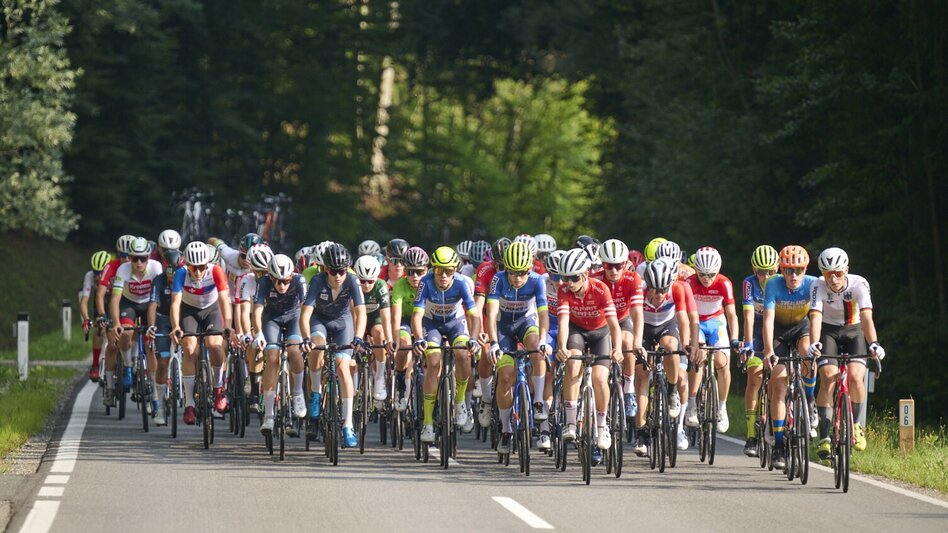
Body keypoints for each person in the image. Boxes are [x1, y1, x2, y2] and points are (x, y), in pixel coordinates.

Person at [808, 247, 885, 457]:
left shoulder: (859, 284)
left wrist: (874, 343)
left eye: (838, 273)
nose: (833, 279)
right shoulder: (817, 285)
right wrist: (814, 343)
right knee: (828, 378)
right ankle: (824, 436)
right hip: (829, 332)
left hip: (854, 332)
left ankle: (857, 427)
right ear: (822, 273)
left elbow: (867, 317)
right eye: (828, 274)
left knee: (855, 378)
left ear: (847, 270)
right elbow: (815, 318)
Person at [555, 248, 623, 459]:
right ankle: (570, 422)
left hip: (600, 332)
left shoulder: (601, 289)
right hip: (577, 332)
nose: (569, 283)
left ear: (584, 274)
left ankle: (602, 426)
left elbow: (614, 324)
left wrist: (618, 348)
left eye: (573, 278)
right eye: (565, 278)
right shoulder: (564, 290)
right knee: (573, 365)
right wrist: (562, 348)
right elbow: (563, 322)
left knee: (600, 378)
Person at [484, 242, 549, 455]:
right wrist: (493, 343)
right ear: (506, 269)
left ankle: (538, 401)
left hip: (526, 323)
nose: (518, 278)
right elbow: (492, 315)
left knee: (535, 346)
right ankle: (505, 429)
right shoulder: (498, 279)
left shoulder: (537, 280)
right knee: (505, 377)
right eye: (513, 272)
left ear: (530, 269)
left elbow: (542, 315)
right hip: (503, 328)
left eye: (522, 273)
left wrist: (543, 340)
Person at [300, 243, 367, 448]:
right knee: (317, 346)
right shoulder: (317, 281)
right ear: (325, 269)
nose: (338, 275)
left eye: (342, 271)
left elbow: (361, 312)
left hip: (342, 322)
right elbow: (305, 315)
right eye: (333, 271)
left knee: (342, 367)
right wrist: (306, 339)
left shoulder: (353, 281)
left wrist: (358, 337)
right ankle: (316, 393)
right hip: (319, 320)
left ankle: (347, 425)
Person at [411, 246, 482, 443]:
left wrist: (474, 339)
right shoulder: (425, 283)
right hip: (431, 323)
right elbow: (417, 315)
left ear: (455, 271)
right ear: (432, 268)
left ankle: (460, 401)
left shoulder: (461, 283)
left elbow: (474, 316)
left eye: (449, 271)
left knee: (462, 355)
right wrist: (418, 338)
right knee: (433, 363)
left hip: (455, 324)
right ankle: (427, 422)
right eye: (439, 270)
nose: (443, 275)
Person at [632, 257, 697, 457]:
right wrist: (637, 345)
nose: (658, 294)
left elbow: (684, 320)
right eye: (654, 289)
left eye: (662, 290)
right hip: (644, 328)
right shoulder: (639, 290)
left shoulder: (677, 288)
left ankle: (671, 391)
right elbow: (633, 317)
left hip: (666, 326)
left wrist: (686, 345)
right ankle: (642, 433)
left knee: (671, 345)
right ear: (647, 285)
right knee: (642, 375)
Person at [762, 245, 818, 470]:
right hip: (778, 332)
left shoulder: (813, 284)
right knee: (779, 382)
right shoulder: (772, 284)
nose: (793, 276)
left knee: (808, 355)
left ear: (805, 269)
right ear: (781, 270)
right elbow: (767, 320)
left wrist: (815, 346)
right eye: (788, 271)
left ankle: (810, 399)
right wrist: (768, 351)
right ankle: (778, 443)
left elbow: (815, 317)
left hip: (801, 329)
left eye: (798, 270)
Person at [170, 241, 237, 425]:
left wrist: (228, 326)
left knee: (215, 346)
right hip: (189, 310)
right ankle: (190, 405)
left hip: (211, 309)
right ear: (187, 264)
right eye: (194, 267)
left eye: (201, 267)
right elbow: (175, 303)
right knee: (190, 349)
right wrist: (176, 326)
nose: (198, 272)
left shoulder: (216, 271)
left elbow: (224, 300)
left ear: (206, 264)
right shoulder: (181, 273)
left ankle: (218, 388)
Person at [685, 247, 741, 435]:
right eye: (702, 274)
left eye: (711, 274)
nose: (706, 278)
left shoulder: (724, 283)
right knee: (698, 357)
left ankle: (722, 408)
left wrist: (734, 339)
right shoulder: (689, 283)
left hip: (716, 322)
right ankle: (692, 404)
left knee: (722, 363)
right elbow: (684, 315)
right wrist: (691, 341)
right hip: (696, 323)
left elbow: (732, 314)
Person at [254, 254, 308, 434]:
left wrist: (306, 335)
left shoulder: (299, 280)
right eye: (277, 282)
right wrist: (259, 333)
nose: (282, 286)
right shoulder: (263, 282)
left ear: (291, 277)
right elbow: (258, 310)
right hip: (272, 318)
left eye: (286, 281)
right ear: (270, 277)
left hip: (294, 317)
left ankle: (298, 393)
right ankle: (269, 415)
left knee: (294, 350)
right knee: (272, 357)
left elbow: (306, 308)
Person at [739, 245, 779, 456]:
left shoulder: (781, 283)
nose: (766, 276)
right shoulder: (748, 283)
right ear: (754, 270)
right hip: (755, 330)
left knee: (777, 379)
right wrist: (747, 343)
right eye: (761, 271)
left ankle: (775, 421)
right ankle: (751, 435)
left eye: (771, 271)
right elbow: (748, 317)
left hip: (776, 329)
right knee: (755, 378)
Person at [146, 249, 185, 426]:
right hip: (162, 320)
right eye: (170, 271)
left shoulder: (186, 278)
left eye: (177, 270)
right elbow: (153, 305)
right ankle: (160, 406)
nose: (173, 275)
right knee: (162, 362)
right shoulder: (158, 281)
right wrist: (151, 326)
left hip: (182, 320)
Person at [390, 246, 429, 411]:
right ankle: (400, 379)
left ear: (426, 270)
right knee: (404, 344)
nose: (414, 276)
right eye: (410, 271)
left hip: (426, 320)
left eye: (419, 272)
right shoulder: (399, 285)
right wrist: (396, 340)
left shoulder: (430, 283)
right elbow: (395, 317)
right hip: (405, 320)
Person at [353, 254, 395, 402]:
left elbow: (385, 317)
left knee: (379, 333)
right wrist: (356, 337)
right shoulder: (353, 283)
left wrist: (389, 340)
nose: (366, 285)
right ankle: (353, 382)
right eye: (362, 281)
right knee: (352, 344)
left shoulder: (381, 286)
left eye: (370, 281)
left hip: (375, 318)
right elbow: (352, 315)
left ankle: (379, 380)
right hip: (357, 317)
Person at [81, 250, 112, 382]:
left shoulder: (115, 273)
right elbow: (84, 301)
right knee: (98, 329)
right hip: (98, 301)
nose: (98, 276)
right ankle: (95, 364)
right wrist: (86, 319)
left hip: (114, 298)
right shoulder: (89, 276)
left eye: (101, 272)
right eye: (95, 272)